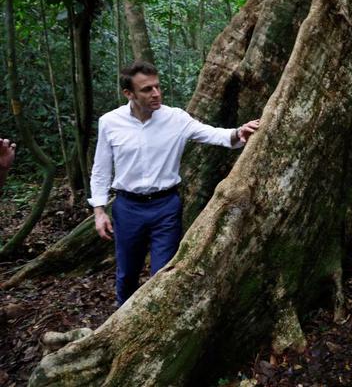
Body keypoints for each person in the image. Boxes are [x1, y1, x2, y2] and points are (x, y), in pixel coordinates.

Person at [89, 61, 259, 305]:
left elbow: (213, 134)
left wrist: (238, 132)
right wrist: (99, 211)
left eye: (158, 87)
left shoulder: (175, 118)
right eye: (147, 89)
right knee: (127, 272)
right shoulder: (110, 122)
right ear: (129, 93)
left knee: (163, 274)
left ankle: (155, 322)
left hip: (165, 207)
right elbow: (101, 170)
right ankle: (120, 322)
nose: (156, 93)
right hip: (127, 208)